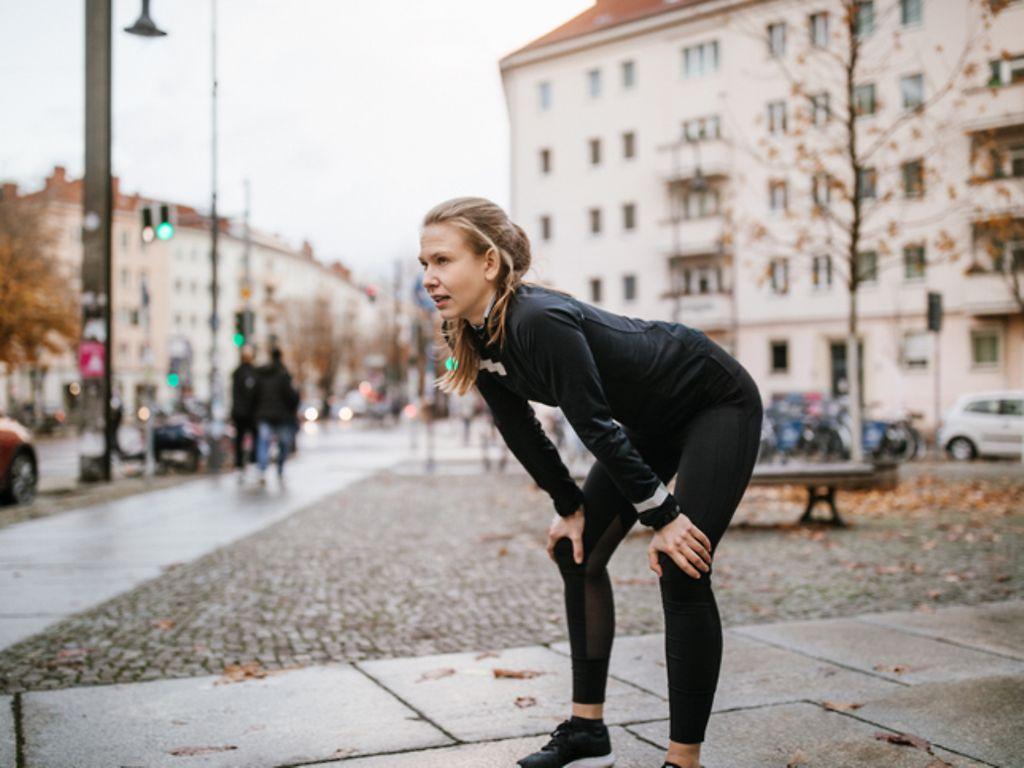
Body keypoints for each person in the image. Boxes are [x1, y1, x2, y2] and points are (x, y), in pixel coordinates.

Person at [418, 198, 763, 768]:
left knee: (683, 564)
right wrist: (568, 505)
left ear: (488, 264)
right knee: (575, 553)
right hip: (651, 421)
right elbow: (520, 429)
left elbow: (594, 425)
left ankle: (682, 761)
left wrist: (666, 518)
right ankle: (586, 729)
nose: (429, 277)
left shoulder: (537, 320)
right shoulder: (473, 333)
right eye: (424, 262)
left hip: (712, 400)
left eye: (442, 260)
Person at [253, 347, 299, 486]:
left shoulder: (261, 373)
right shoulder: (284, 374)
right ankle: (279, 470)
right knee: (283, 444)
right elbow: (292, 396)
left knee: (263, 442)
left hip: (264, 415)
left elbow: (255, 395)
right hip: (281, 416)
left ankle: (262, 470)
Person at [230, 345, 259, 480]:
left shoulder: (237, 373)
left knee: (240, 439)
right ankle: (248, 464)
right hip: (249, 413)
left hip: (241, 413)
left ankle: (240, 465)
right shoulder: (252, 372)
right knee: (250, 438)